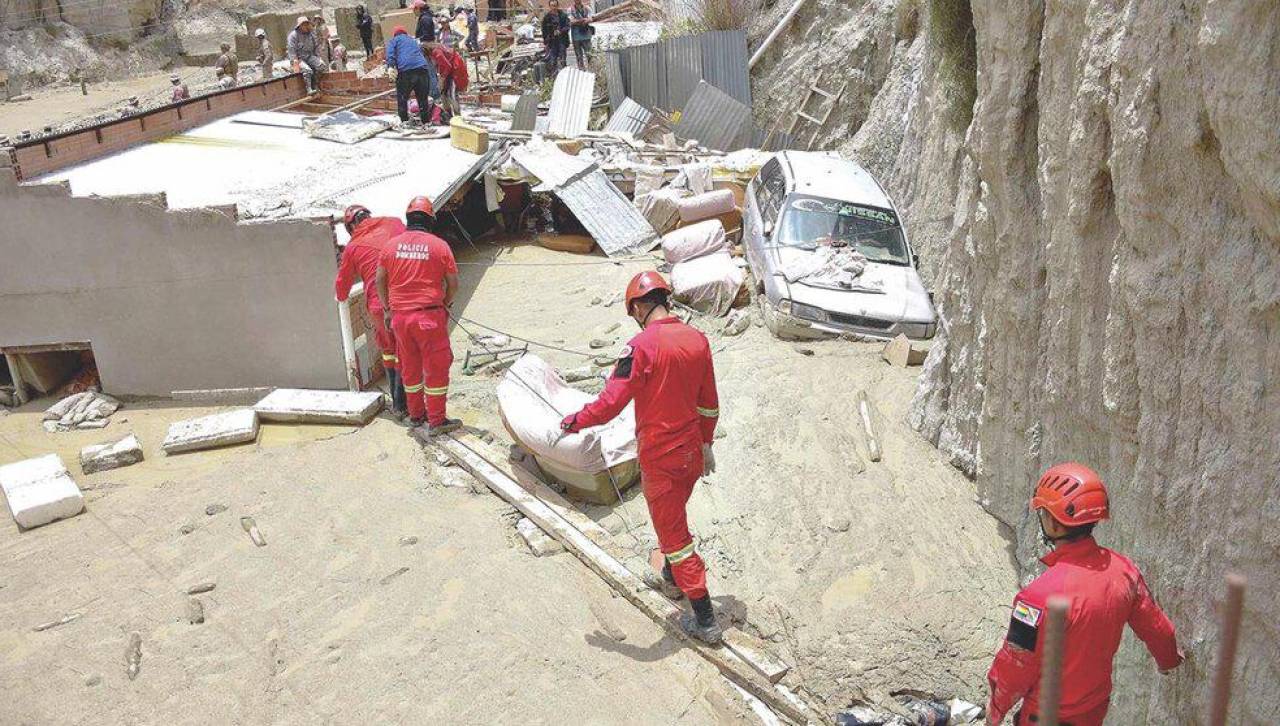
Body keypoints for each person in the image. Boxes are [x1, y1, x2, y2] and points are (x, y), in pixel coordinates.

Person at [561, 272, 723, 645]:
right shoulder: (697, 338)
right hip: (691, 455)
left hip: (661, 458)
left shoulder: (640, 347)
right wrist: (706, 442)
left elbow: (609, 404)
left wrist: (575, 421)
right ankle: (671, 576)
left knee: (676, 536)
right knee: (673, 520)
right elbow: (709, 403)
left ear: (636, 307)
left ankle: (705, 618)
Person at [985, 463, 1184, 726]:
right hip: (1094, 709)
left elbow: (1017, 666)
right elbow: (1158, 628)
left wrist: (995, 712)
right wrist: (1167, 660)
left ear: (1055, 523)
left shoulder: (1037, 597)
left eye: (1043, 513)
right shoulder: (1123, 570)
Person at [375, 196, 462, 435]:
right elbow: (453, 283)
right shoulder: (439, 245)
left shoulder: (391, 245)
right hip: (428, 317)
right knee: (436, 368)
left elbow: (379, 279)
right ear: (430, 219)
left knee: (410, 368)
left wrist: (387, 308)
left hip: (400, 319)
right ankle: (436, 420)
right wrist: (444, 303)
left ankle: (415, 416)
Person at [336, 205, 409, 417]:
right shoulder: (394, 222)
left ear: (351, 227)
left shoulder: (353, 247)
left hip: (379, 306)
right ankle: (409, 404)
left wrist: (341, 297)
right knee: (408, 351)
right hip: (408, 298)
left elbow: (342, 286)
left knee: (389, 349)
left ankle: (398, 404)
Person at [386, 26, 437, 126]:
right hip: (422, 69)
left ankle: (404, 121)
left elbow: (390, 54)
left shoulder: (394, 40)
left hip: (406, 71)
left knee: (402, 98)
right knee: (422, 98)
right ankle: (426, 122)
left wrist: (390, 66)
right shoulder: (413, 40)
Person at [287, 16, 327, 92]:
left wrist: (318, 57)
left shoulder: (311, 34)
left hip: (309, 56)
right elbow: (291, 50)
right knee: (307, 70)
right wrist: (295, 62)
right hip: (299, 58)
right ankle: (309, 88)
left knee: (321, 66)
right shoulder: (293, 36)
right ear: (299, 26)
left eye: (307, 24)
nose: (306, 26)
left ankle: (315, 83)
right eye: (304, 24)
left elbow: (316, 46)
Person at [428, 42, 467, 118]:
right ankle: (448, 115)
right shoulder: (433, 51)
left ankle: (457, 116)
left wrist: (442, 79)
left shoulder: (436, 52)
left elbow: (447, 66)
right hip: (450, 70)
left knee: (452, 94)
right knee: (443, 93)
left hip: (455, 70)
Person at [541, 0, 569, 72]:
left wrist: (560, 31)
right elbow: (544, 30)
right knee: (553, 60)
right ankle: (553, 76)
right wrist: (545, 42)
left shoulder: (563, 15)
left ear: (557, 6)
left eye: (555, 5)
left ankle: (563, 74)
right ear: (550, 6)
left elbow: (568, 26)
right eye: (552, 5)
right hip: (552, 42)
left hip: (562, 40)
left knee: (562, 59)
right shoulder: (546, 17)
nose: (554, 7)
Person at [569, 0, 592, 70]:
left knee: (590, 55)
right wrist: (583, 20)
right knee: (579, 56)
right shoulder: (570, 9)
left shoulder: (587, 8)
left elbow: (590, 19)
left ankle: (592, 70)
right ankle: (581, 71)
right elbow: (571, 21)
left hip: (586, 35)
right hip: (576, 36)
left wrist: (578, 21)